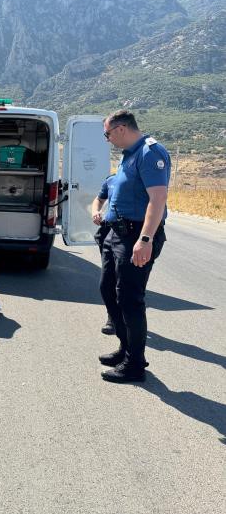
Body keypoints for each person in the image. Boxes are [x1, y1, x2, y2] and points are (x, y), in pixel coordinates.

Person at [99, 110, 170, 383]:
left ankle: (135, 364)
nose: (107, 140)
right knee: (108, 289)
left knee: (130, 299)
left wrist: (145, 239)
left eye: (107, 134)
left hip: (135, 236)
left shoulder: (150, 153)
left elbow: (157, 199)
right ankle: (125, 348)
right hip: (116, 233)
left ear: (120, 129)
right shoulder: (129, 154)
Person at [92, 174, 115, 335]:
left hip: (131, 234)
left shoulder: (138, 179)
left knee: (124, 281)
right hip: (108, 231)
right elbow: (99, 199)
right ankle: (112, 317)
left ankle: (122, 318)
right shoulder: (111, 180)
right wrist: (96, 211)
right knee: (108, 279)